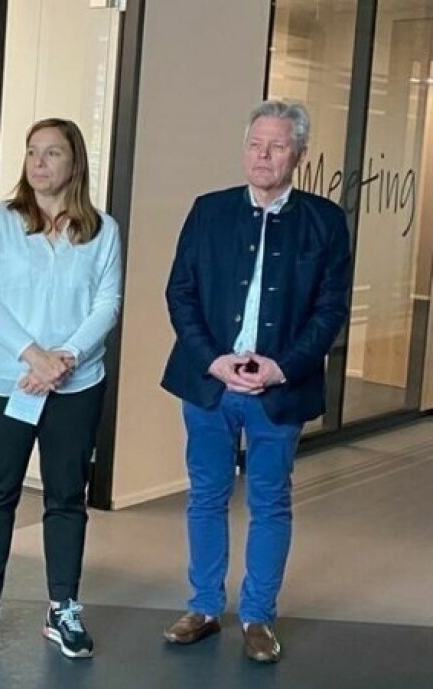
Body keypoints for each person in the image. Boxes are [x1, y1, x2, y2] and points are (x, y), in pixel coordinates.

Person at [160, 100, 351, 663]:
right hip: (210, 384)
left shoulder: (325, 221)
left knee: (270, 501)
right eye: (254, 145)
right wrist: (212, 359)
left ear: (298, 155)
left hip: (279, 389)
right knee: (207, 496)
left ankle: (258, 617)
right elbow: (181, 293)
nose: (263, 156)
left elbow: (330, 308)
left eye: (276, 147)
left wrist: (281, 366)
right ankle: (202, 606)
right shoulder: (209, 211)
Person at [0, 119, 122, 659]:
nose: (39, 162)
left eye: (52, 153)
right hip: (7, 380)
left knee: (65, 499)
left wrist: (66, 359)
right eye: (32, 152)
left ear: (74, 163)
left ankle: (64, 608)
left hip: (77, 386)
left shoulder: (102, 230)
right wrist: (36, 357)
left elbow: (108, 304)